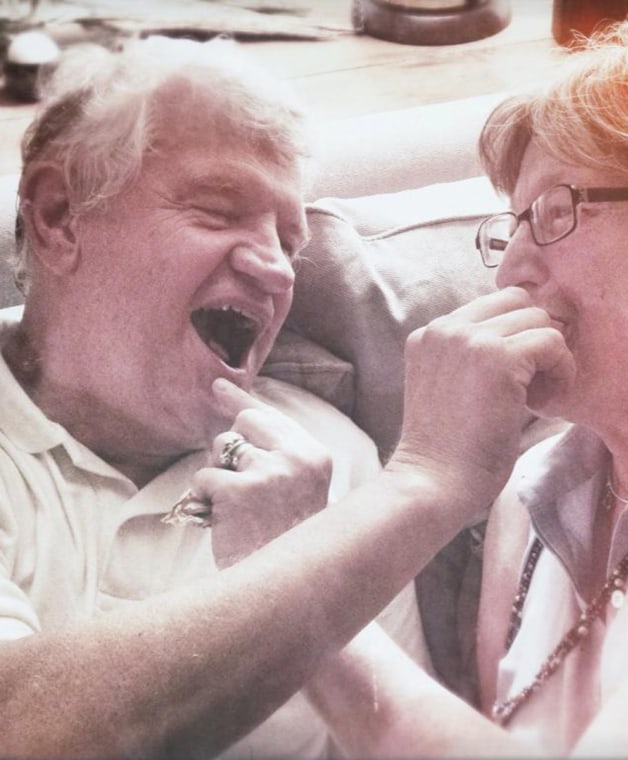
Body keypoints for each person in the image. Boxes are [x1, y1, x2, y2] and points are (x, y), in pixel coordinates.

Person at [0, 33, 495, 758]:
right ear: (59, 217)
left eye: (289, 240)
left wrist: (316, 539)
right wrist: (345, 547)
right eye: (219, 210)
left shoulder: (331, 461)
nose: (274, 269)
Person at [300, 22, 628, 758]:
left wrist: (298, 599)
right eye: (511, 223)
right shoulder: (527, 494)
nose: (511, 266)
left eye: (557, 212)